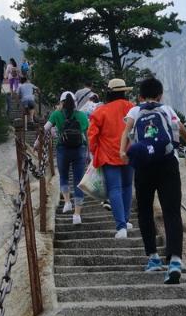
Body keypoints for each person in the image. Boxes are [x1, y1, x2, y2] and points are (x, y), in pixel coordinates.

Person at [119, 77, 186, 285]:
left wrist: (122, 151)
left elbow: (126, 131)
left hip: (144, 165)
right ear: (160, 95)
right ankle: (174, 260)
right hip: (167, 164)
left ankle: (153, 258)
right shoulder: (167, 109)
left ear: (140, 96)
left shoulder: (135, 111)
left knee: (145, 211)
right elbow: (181, 129)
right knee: (171, 211)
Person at [87, 78, 134, 239]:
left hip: (108, 155)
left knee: (115, 189)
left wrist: (93, 152)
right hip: (129, 153)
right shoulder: (132, 108)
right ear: (124, 92)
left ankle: (121, 226)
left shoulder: (100, 112)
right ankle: (126, 220)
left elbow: (92, 136)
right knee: (128, 186)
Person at [45, 91, 89, 224]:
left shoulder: (56, 114)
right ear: (75, 102)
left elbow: (45, 128)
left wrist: (39, 141)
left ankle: (67, 202)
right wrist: (89, 153)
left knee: (64, 176)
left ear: (61, 102)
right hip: (79, 149)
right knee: (79, 182)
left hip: (62, 149)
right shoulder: (81, 115)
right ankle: (77, 215)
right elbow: (87, 133)